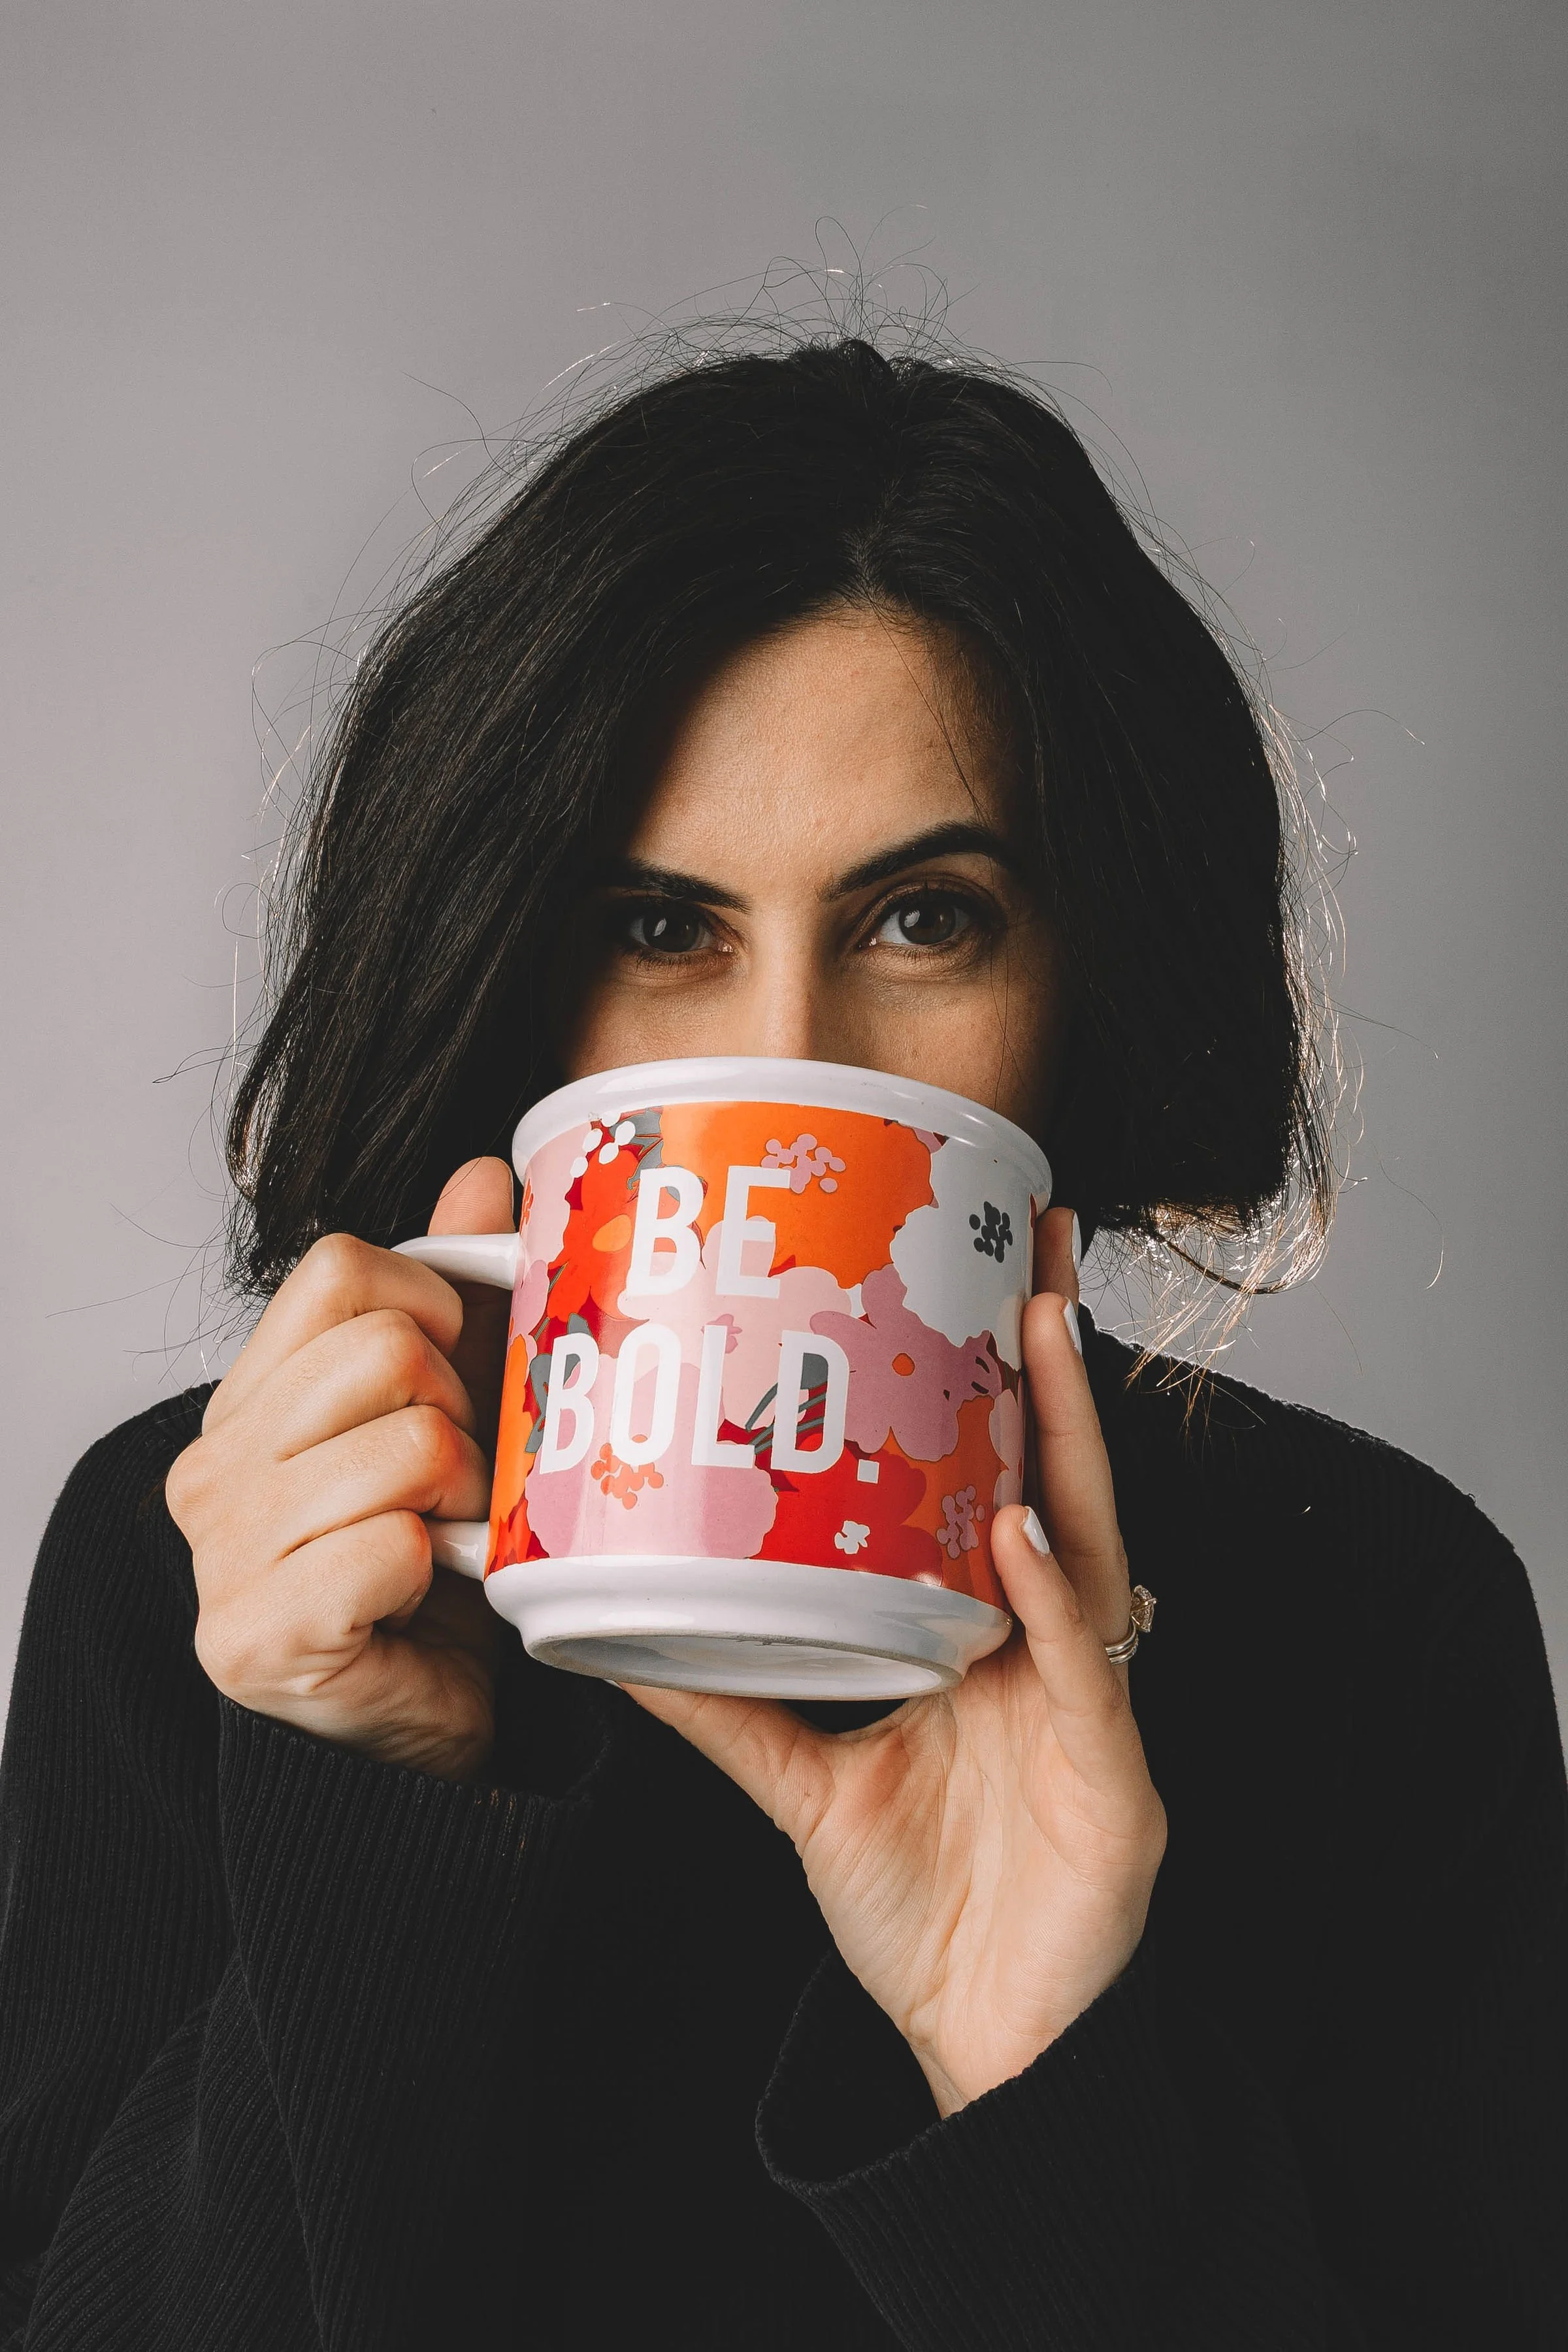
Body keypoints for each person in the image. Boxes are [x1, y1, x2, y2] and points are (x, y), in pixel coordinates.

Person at [1, 332, 1563, 2351]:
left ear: (1089, 965)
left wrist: (1037, 2080)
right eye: (661, 929)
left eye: (927, 919)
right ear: (508, 969)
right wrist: (359, 1810)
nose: (790, 1062)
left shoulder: (1380, 1612)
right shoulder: (209, 1570)